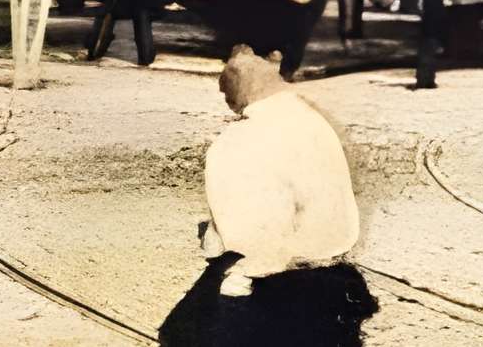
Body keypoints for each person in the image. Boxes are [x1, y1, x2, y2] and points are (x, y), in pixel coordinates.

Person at [158, 46, 375, 347]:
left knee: (178, 333)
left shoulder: (241, 140)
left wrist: (213, 243)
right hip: (333, 292)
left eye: (231, 61)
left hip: (272, 301)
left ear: (273, 59)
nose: (221, 82)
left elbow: (247, 246)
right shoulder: (312, 121)